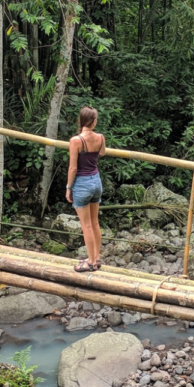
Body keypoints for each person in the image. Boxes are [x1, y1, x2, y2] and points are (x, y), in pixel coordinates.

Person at [66, 106, 106, 272]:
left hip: (82, 184)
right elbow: (102, 153)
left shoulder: (76, 141)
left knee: (86, 226)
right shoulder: (100, 138)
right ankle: (96, 258)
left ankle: (90, 262)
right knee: (95, 222)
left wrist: (69, 187)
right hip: (96, 182)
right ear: (94, 121)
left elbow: (73, 168)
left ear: (80, 121)